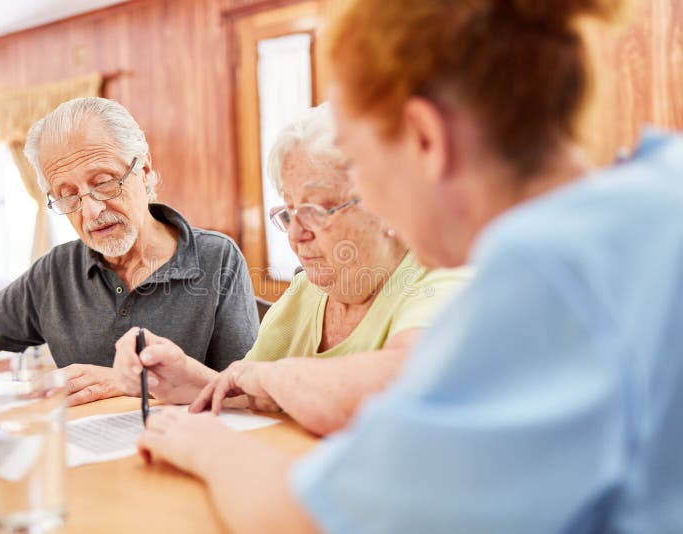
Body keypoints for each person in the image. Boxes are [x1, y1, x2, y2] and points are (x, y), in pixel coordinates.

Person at [135, 1, 683, 533]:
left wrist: (205, 446)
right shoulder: (659, 189)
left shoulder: (544, 273)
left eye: (362, 162)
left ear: (425, 139)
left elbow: (309, 520)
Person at [113, 105, 469, 435]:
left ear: (387, 203)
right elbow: (259, 393)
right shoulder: (305, 294)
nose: (296, 235)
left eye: (315, 210)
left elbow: (408, 382)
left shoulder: (441, 275)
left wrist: (268, 377)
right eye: (290, 212)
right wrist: (189, 381)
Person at [0, 97, 258, 408]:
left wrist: (138, 386)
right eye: (68, 195)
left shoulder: (217, 259)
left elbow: (248, 396)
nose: (91, 213)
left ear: (144, 169)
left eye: (103, 183)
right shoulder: (55, 273)